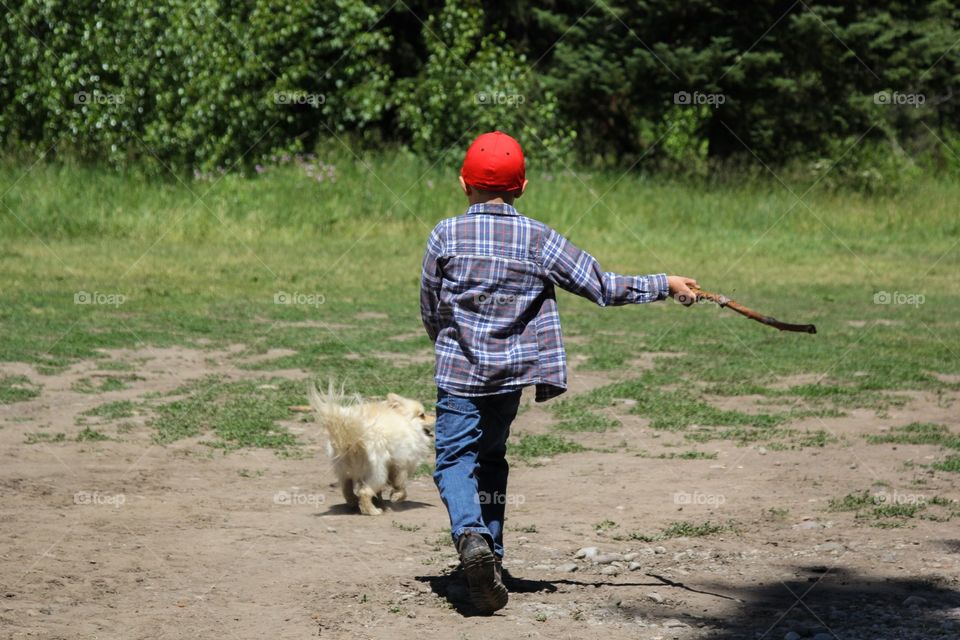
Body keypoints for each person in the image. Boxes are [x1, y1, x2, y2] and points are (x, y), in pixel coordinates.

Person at [419, 131, 698, 614]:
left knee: (452, 461)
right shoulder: (538, 238)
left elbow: (429, 302)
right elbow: (602, 286)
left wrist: (444, 343)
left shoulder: (445, 234)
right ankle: (492, 561)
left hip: (459, 374)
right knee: (490, 460)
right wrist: (664, 283)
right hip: (510, 379)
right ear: (522, 187)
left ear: (464, 184)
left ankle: (470, 537)